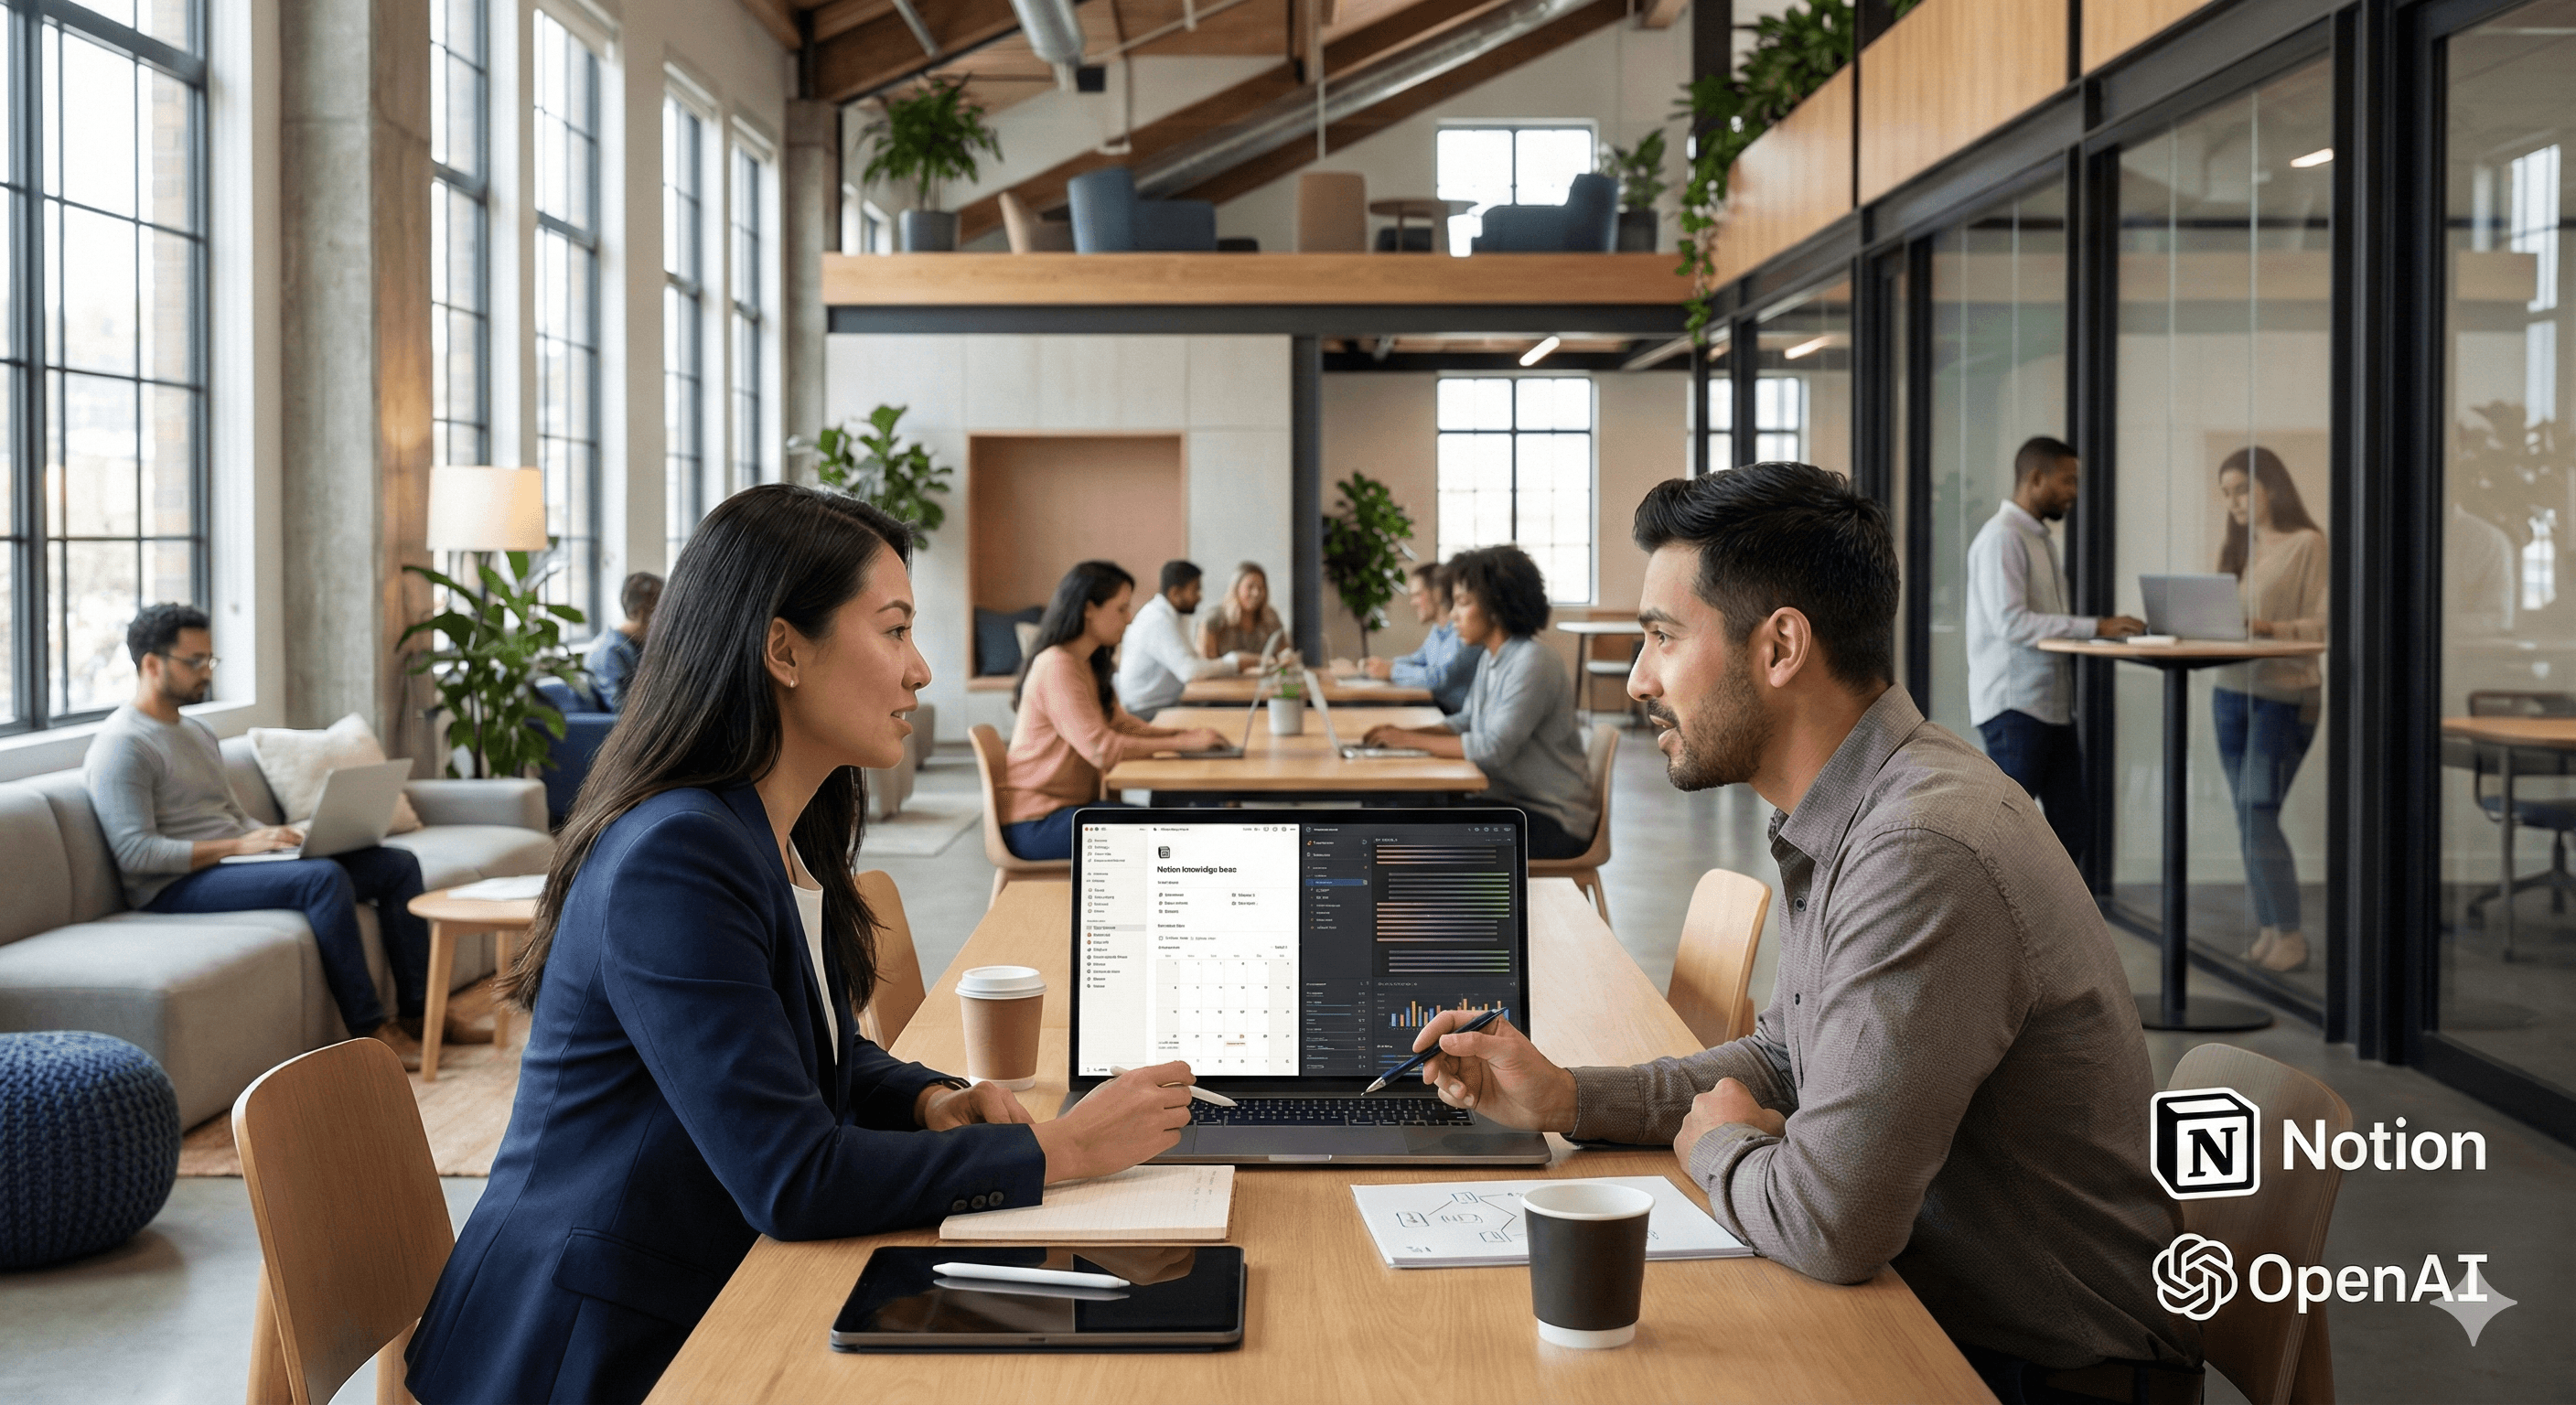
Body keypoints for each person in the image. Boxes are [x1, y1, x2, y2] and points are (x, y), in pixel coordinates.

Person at [1405, 464, 2196, 1402]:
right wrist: (1569, 1098)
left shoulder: (1919, 847)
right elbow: (1787, 1059)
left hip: (2038, 1374)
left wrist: (1714, 1147)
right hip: (1939, 1317)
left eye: (1661, 637)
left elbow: (1830, 1224)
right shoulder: (1864, 803)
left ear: (1780, 645)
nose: (1640, 677)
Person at [404, 488, 1198, 1405]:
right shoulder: (675, 854)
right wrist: (1061, 1148)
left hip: (699, 1288)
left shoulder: (770, 825)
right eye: (894, 631)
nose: (921, 670)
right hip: (596, 1344)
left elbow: (796, 1044)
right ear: (782, 648)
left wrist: (926, 1099)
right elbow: (792, 1178)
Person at [84, 605, 455, 1067]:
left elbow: (232, 817)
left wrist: (281, 836)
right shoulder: (123, 745)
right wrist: (239, 846)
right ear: (151, 664)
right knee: (323, 879)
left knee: (396, 865)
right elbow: (136, 854)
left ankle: (423, 1014)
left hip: (233, 862)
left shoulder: (197, 732)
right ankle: (371, 1035)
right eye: (194, 661)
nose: (205, 673)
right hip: (171, 886)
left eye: (210, 661)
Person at [1964, 435, 2145, 869]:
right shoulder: (2002, 539)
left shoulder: (2038, 539)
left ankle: (2054, 927)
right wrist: (2095, 627)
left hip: (2049, 706)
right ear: (2035, 479)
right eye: (2067, 482)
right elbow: (2011, 621)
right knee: (2003, 834)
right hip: (2016, 708)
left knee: (2072, 823)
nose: (2074, 493)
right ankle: (1995, 929)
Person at [1359, 546, 1597, 861]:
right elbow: (1466, 720)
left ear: (1496, 606)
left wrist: (1408, 740)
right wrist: (1404, 736)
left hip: (1551, 818)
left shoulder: (1533, 661)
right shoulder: (1492, 656)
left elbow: (1493, 749)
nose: (1453, 615)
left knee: (1401, 830)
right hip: (1511, 803)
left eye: (1463, 603)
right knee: (1388, 807)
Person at [1000, 561, 1226, 862]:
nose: (1130, 619)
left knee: (1182, 822)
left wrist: (1182, 735)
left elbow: (1122, 725)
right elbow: (1101, 750)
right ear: (1089, 609)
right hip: (1037, 823)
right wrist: (1181, 744)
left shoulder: (1087, 663)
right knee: (1177, 835)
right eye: (1121, 609)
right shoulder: (1056, 666)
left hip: (1069, 812)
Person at [2214, 446, 2328, 973]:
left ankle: (2290, 933)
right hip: (2231, 691)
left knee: (2259, 811)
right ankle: (2268, 931)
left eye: (2241, 489)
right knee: (2245, 815)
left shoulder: (2308, 544)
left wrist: (2271, 631)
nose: (2234, 502)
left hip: (2285, 695)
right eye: (2227, 494)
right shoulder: (2240, 550)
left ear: (2272, 489)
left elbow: (2327, 626)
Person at [1114, 559, 1255, 720]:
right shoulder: (1158, 620)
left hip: (1168, 703)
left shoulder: (1173, 617)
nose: (1199, 597)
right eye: (1195, 590)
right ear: (1175, 593)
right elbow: (1190, 671)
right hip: (1148, 711)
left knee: (1241, 709)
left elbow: (1193, 662)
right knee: (1236, 714)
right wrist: (1235, 662)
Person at [1343, 562, 1479, 713]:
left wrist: (1392, 671)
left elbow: (1439, 679)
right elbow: (1418, 660)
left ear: (1437, 593)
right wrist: (1377, 666)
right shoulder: (1438, 631)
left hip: (1452, 715)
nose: (1412, 603)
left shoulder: (1464, 633)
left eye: (1417, 595)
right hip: (1436, 707)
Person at [587, 571, 662, 710]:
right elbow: (621, 709)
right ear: (640, 612)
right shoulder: (611, 651)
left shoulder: (638, 645)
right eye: (662, 611)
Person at [1197, 561, 1285, 660]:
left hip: (1267, 675)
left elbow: (1283, 668)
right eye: (1250, 587)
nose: (1256, 593)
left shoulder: (1271, 618)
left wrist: (1285, 671)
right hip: (1226, 675)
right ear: (1236, 588)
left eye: (1261, 588)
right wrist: (1248, 668)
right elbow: (1206, 668)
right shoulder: (1213, 619)